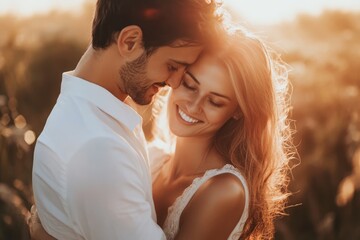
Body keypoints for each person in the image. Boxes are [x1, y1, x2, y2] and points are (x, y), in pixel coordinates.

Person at [30, 25, 294, 239]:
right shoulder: (154, 157)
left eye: (215, 101)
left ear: (237, 111)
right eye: (190, 85)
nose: (193, 105)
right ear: (174, 75)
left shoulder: (224, 191)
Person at [31, 0, 222, 239]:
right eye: (172, 65)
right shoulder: (98, 149)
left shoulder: (91, 117)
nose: (174, 83)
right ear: (129, 41)